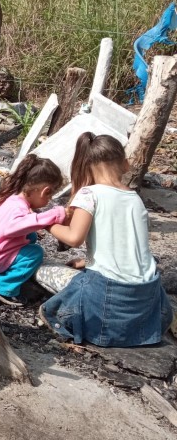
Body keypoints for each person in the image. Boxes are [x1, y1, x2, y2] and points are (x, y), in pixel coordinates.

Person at [41, 132, 173, 347]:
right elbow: (128, 244)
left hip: (108, 301)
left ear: (86, 163)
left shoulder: (89, 194)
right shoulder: (134, 198)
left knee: (42, 271)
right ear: (126, 164)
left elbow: (74, 238)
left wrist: (47, 224)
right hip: (145, 298)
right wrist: (86, 261)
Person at [0, 155, 66, 306]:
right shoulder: (18, 209)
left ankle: (7, 273)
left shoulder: (12, 199)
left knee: (31, 236)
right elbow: (13, 227)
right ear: (44, 191)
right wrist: (55, 214)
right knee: (35, 253)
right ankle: (3, 287)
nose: (49, 199)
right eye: (50, 195)